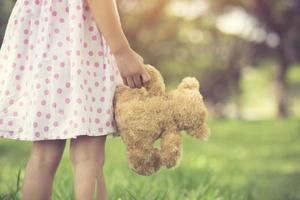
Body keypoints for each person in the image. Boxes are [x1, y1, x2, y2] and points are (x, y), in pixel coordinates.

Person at [0, 0, 151, 199]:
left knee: (43, 156)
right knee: (89, 155)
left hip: (44, 42)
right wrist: (121, 50)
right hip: (81, 43)